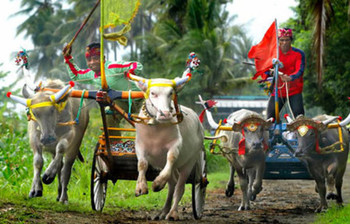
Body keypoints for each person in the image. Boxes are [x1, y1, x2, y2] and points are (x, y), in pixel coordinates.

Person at [62, 42, 143, 137]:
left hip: (140, 99)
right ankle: (115, 145)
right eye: (89, 60)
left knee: (149, 117)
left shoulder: (113, 67)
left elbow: (136, 65)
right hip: (121, 103)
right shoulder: (90, 74)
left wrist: (130, 72)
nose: (92, 62)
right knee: (109, 113)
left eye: (96, 58)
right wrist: (67, 58)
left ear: (103, 59)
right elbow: (76, 75)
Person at [266, 28, 306, 120]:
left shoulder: (299, 53)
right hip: (278, 90)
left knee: (300, 118)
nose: (284, 42)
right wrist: (271, 71)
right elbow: (266, 69)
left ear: (291, 40)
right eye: (282, 40)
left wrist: (291, 77)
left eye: (287, 40)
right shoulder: (273, 54)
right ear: (278, 41)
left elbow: (300, 70)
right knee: (269, 119)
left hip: (294, 90)